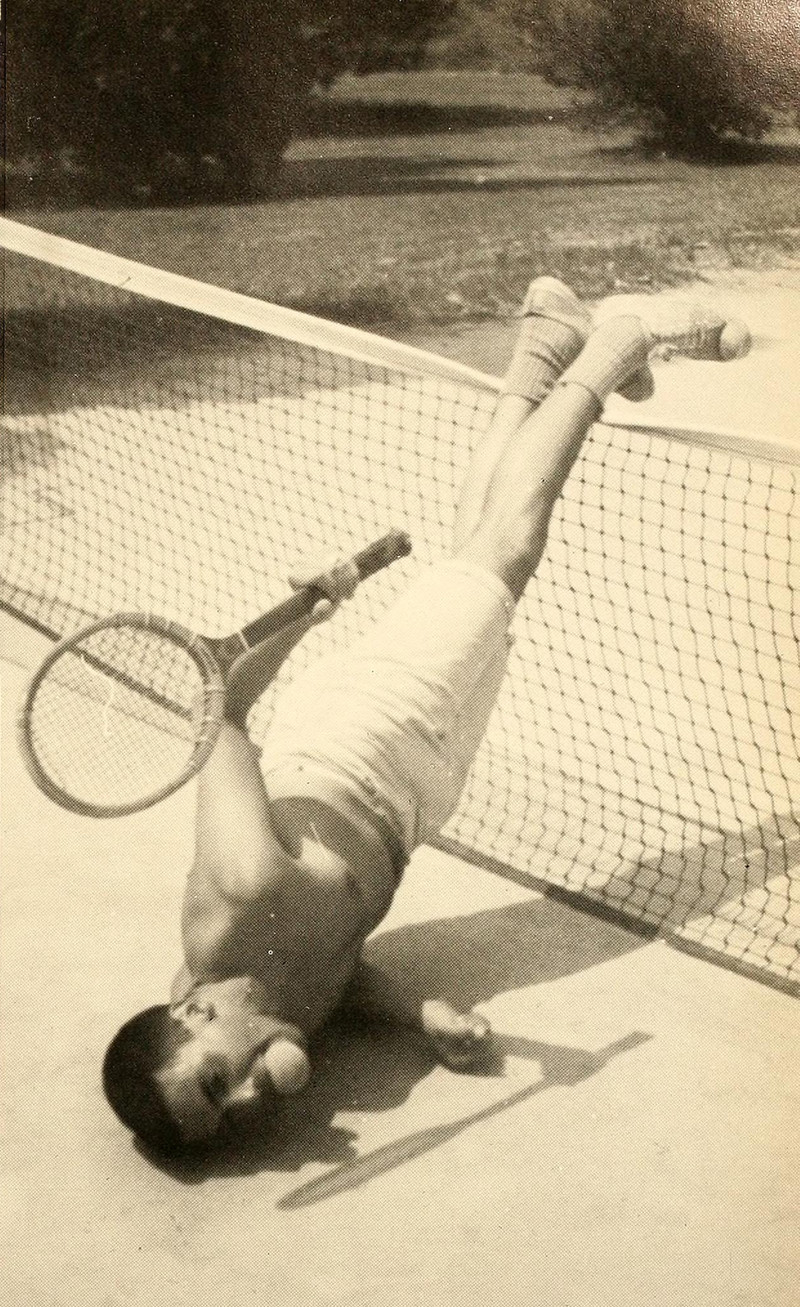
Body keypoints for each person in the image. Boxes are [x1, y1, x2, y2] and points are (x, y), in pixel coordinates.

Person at [102, 280, 722, 1153]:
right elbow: (332, 962)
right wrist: (417, 1011)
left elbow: (226, 712)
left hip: (366, 732)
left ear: (194, 1012)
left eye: (216, 1080)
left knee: (507, 552)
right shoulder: (265, 1010)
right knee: (479, 554)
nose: (247, 1096)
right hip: (416, 795)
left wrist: (306, 616)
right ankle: (545, 346)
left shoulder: (239, 891)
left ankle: (620, 341)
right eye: (228, 1116)